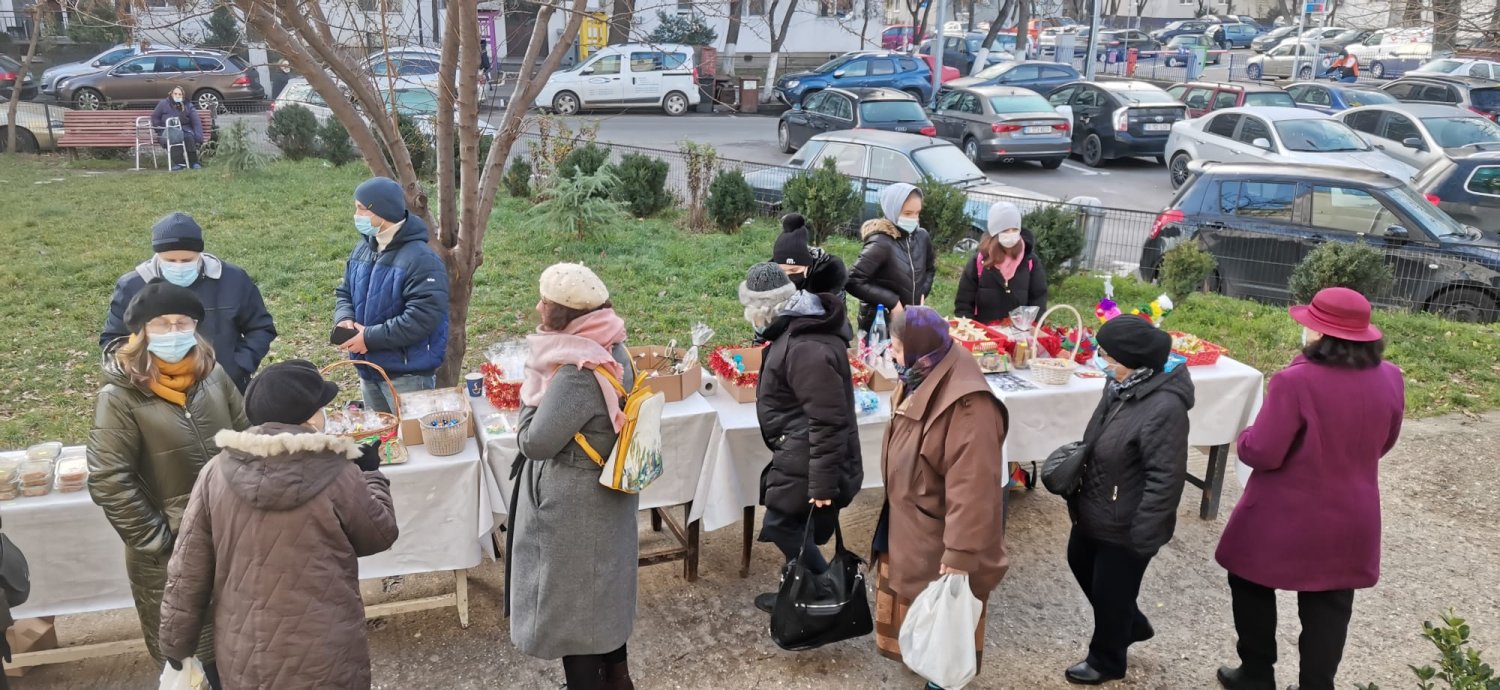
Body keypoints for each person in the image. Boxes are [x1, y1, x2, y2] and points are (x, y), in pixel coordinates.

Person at [159, 359, 399, 688]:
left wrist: (175, 644)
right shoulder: (337, 471)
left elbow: (187, 569)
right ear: (308, 416)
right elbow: (379, 534)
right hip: (326, 650)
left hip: (246, 650)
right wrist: (371, 475)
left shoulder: (215, 472)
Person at [1214, 288, 1404, 690]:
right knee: (1330, 605)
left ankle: (1256, 672)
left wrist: (1244, 436)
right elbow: (1385, 442)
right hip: (1355, 512)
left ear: (1318, 333)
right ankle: (1317, 685)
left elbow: (1263, 452)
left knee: (1248, 580)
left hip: (1285, 512)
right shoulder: (1390, 377)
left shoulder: (1295, 381)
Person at [87, 281, 248, 689]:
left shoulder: (212, 375)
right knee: (198, 659)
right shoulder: (120, 397)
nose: (175, 331)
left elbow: (247, 434)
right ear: (140, 332)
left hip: (232, 538)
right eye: (162, 323)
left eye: (183, 323)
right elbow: (109, 481)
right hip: (170, 555)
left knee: (243, 650)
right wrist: (164, 543)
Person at [508, 264, 638, 690]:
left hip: (575, 509)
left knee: (574, 614)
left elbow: (534, 443)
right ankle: (619, 681)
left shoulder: (577, 371)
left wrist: (531, 394)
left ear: (560, 313)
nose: (537, 306)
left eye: (544, 301)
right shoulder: (614, 346)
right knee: (602, 603)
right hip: (607, 494)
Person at [871, 305, 1009, 677]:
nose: (891, 353)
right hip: (915, 520)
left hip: (938, 532)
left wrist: (961, 552)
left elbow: (975, 487)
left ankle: (942, 675)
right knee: (915, 600)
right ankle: (920, 658)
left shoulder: (969, 407)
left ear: (917, 346)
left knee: (947, 615)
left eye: (895, 346)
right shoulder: (925, 370)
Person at [1063, 315, 1194, 685]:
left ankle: (1107, 659)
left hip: (1128, 520)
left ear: (1131, 359)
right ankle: (1130, 624)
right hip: (1098, 504)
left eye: (1105, 354)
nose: (1099, 360)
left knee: (1111, 588)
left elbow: (1166, 478)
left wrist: (1145, 533)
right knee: (1079, 560)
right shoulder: (1120, 385)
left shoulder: (1165, 407)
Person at [739, 262, 863, 613]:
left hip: (811, 452)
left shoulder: (805, 346)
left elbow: (828, 419)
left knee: (782, 524)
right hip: (800, 449)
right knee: (795, 524)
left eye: (751, 311)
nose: (751, 319)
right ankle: (802, 589)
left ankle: (830, 592)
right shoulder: (793, 332)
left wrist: (823, 485)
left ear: (764, 309)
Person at [101, 212, 277, 392]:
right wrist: (141, 375)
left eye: (187, 260)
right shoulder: (132, 286)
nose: (178, 266)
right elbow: (113, 341)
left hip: (225, 387)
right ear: (158, 255)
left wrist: (238, 367)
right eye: (170, 260)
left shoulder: (233, 279)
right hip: (157, 391)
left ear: (199, 253)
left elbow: (260, 327)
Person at [334, 177, 450, 413]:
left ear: (382, 212)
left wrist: (369, 338)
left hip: (407, 376)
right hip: (368, 371)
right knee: (382, 443)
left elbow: (422, 318)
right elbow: (344, 291)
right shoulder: (362, 248)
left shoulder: (422, 259)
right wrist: (344, 318)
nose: (356, 215)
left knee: (411, 445)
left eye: (361, 209)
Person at [847, 183, 935, 334]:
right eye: (907, 213)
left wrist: (922, 293)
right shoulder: (881, 241)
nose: (914, 219)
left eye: (917, 213)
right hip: (880, 323)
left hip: (911, 318)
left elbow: (930, 269)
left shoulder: (922, 237)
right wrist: (892, 302)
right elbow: (853, 280)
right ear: (892, 210)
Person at [954, 202, 1048, 324]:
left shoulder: (1030, 261)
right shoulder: (979, 262)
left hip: (1019, 336)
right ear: (994, 232)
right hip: (985, 335)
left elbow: (1039, 299)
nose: (1011, 235)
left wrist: (1034, 327)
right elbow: (964, 302)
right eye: (1005, 230)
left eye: (1014, 229)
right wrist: (967, 328)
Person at [773, 213, 848, 297]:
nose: (787, 275)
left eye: (794, 270)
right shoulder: (770, 281)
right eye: (782, 271)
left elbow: (835, 308)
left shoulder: (828, 282)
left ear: (807, 267)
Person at [151, 86, 204, 171]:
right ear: (171, 94)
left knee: (188, 137)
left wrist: (198, 137)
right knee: (173, 137)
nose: (177, 96)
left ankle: (194, 162)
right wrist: (160, 130)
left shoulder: (188, 105)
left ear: (183, 96)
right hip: (167, 130)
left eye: (180, 94)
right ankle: (179, 163)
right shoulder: (163, 104)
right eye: (175, 94)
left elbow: (196, 122)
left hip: (185, 129)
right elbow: (155, 118)